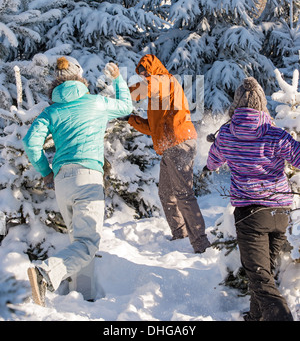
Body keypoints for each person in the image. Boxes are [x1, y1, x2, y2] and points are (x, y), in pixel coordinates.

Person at [23, 57, 132, 306]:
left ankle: (82, 297)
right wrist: (117, 79)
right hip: (88, 177)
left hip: (62, 181)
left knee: (79, 241)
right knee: (87, 242)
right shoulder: (96, 103)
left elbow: (30, 142)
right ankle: (45, 274)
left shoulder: (51, 110)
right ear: (80, 76)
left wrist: (45, 171)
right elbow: (126, 106)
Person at [206, 76, 298, 321]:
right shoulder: (275, 134)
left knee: (260, 278)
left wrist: (220, 151)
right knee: (263, 273)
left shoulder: (226, 133)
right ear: (261, 105)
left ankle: (282, 318)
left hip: (251, 215)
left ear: (236, 104)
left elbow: (212, 162)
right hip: (280, 213)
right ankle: (256, 317)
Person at [127, 54, 210, 254]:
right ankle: (180, 235)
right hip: (170, 146)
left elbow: (145, 87)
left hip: (179, 143)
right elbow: (153, 128)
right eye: (141, 73)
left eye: (146, 72)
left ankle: (201, 244)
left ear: (153, 70)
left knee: (183, 194)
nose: (144, 76)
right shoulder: (159, 95)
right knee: (166, 193)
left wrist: (123, 96)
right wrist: (130, 118)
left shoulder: (165, 81)